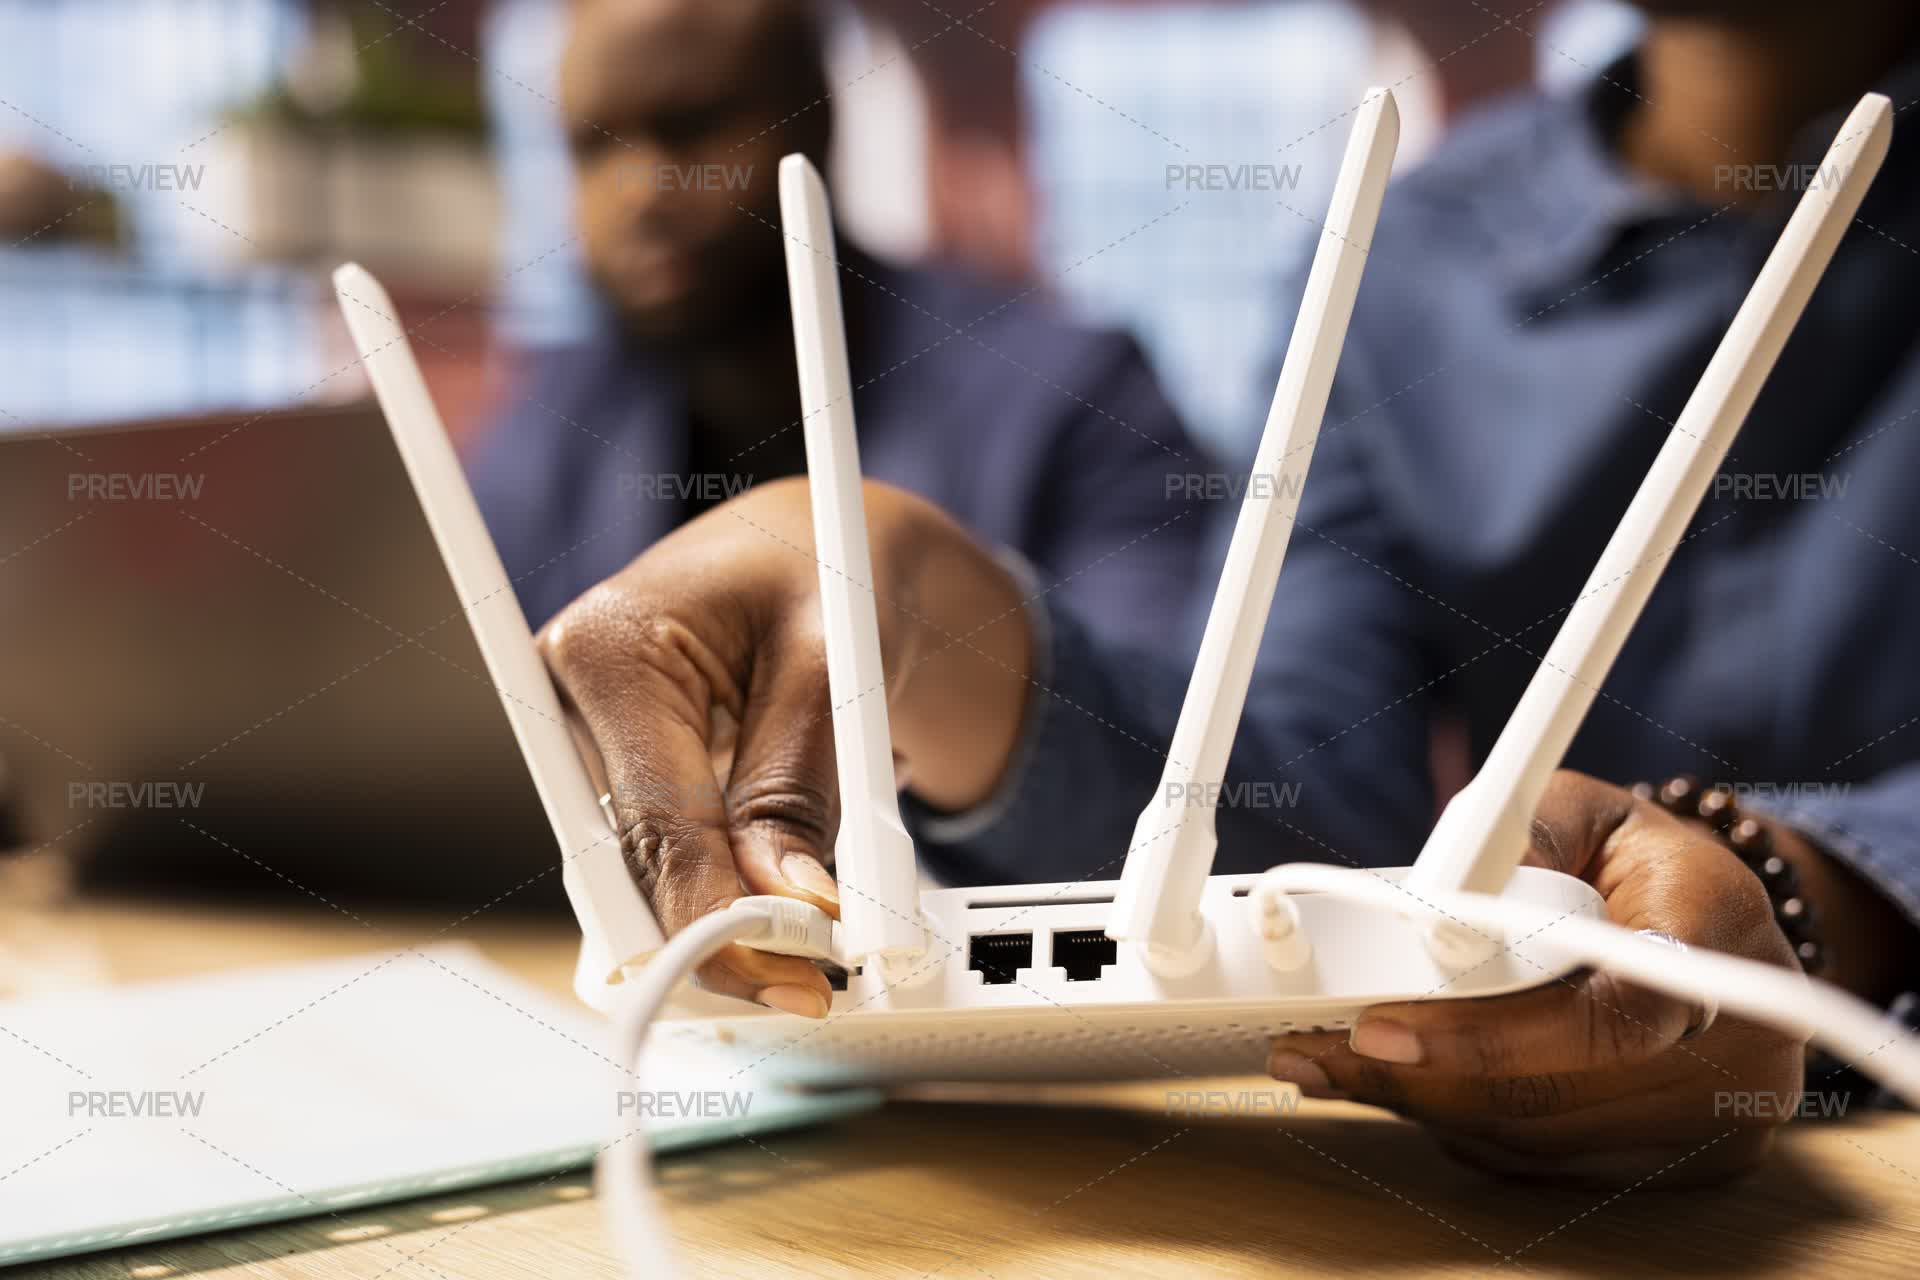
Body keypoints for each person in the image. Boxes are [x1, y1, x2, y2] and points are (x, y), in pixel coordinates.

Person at [535, 0, 1920, 1185]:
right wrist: (936, 623)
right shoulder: (1409, 256)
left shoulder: (1085, 367)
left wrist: (1815, 896)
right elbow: (1295, 809)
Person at [466, 0, 1206, 647]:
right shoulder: (553, 424)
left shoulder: (1075, 399)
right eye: (593, 146)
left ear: (815, 120)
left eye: (690, 127)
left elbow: (1144, 739)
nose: (639, 195)